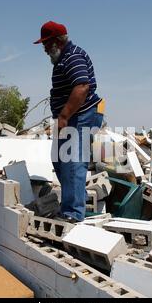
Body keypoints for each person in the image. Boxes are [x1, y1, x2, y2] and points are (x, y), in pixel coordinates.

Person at [34, 21, 105, 223]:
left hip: (81, 115)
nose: (45, 49)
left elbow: (82, 87)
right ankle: (71, 206)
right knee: (59, 158)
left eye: (46, 44)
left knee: (72, 161)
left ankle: (73, 214)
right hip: (70, 116)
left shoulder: (73, 56)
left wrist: (64, 116)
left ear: (56, 41)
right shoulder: (63, 58)